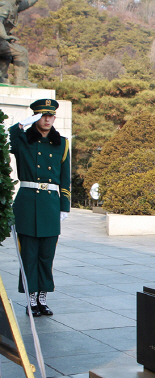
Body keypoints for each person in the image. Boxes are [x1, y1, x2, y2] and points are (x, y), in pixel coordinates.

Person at [10, 98, 70, 316]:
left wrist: (64, 206)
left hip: (50, 205)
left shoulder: (62, 143)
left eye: (50, 115)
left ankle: (43, 297)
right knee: (29, 255)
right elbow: (10, 137)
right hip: (27, 204)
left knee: (47, 255)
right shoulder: (23, 141)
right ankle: (31, 299)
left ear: (54, 117)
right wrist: (23, 124)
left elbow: (65, 178)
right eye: (42, 115)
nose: (47, 119)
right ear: (36, 117)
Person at [0, 0, 38, 86]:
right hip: (1, 39)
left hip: (2, 40)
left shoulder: (14, 5)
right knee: (21, 52)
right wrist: (5, 36)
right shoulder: (5, 5)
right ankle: (21, 80)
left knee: (7, 57)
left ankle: (2, 78)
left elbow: (28, 3)